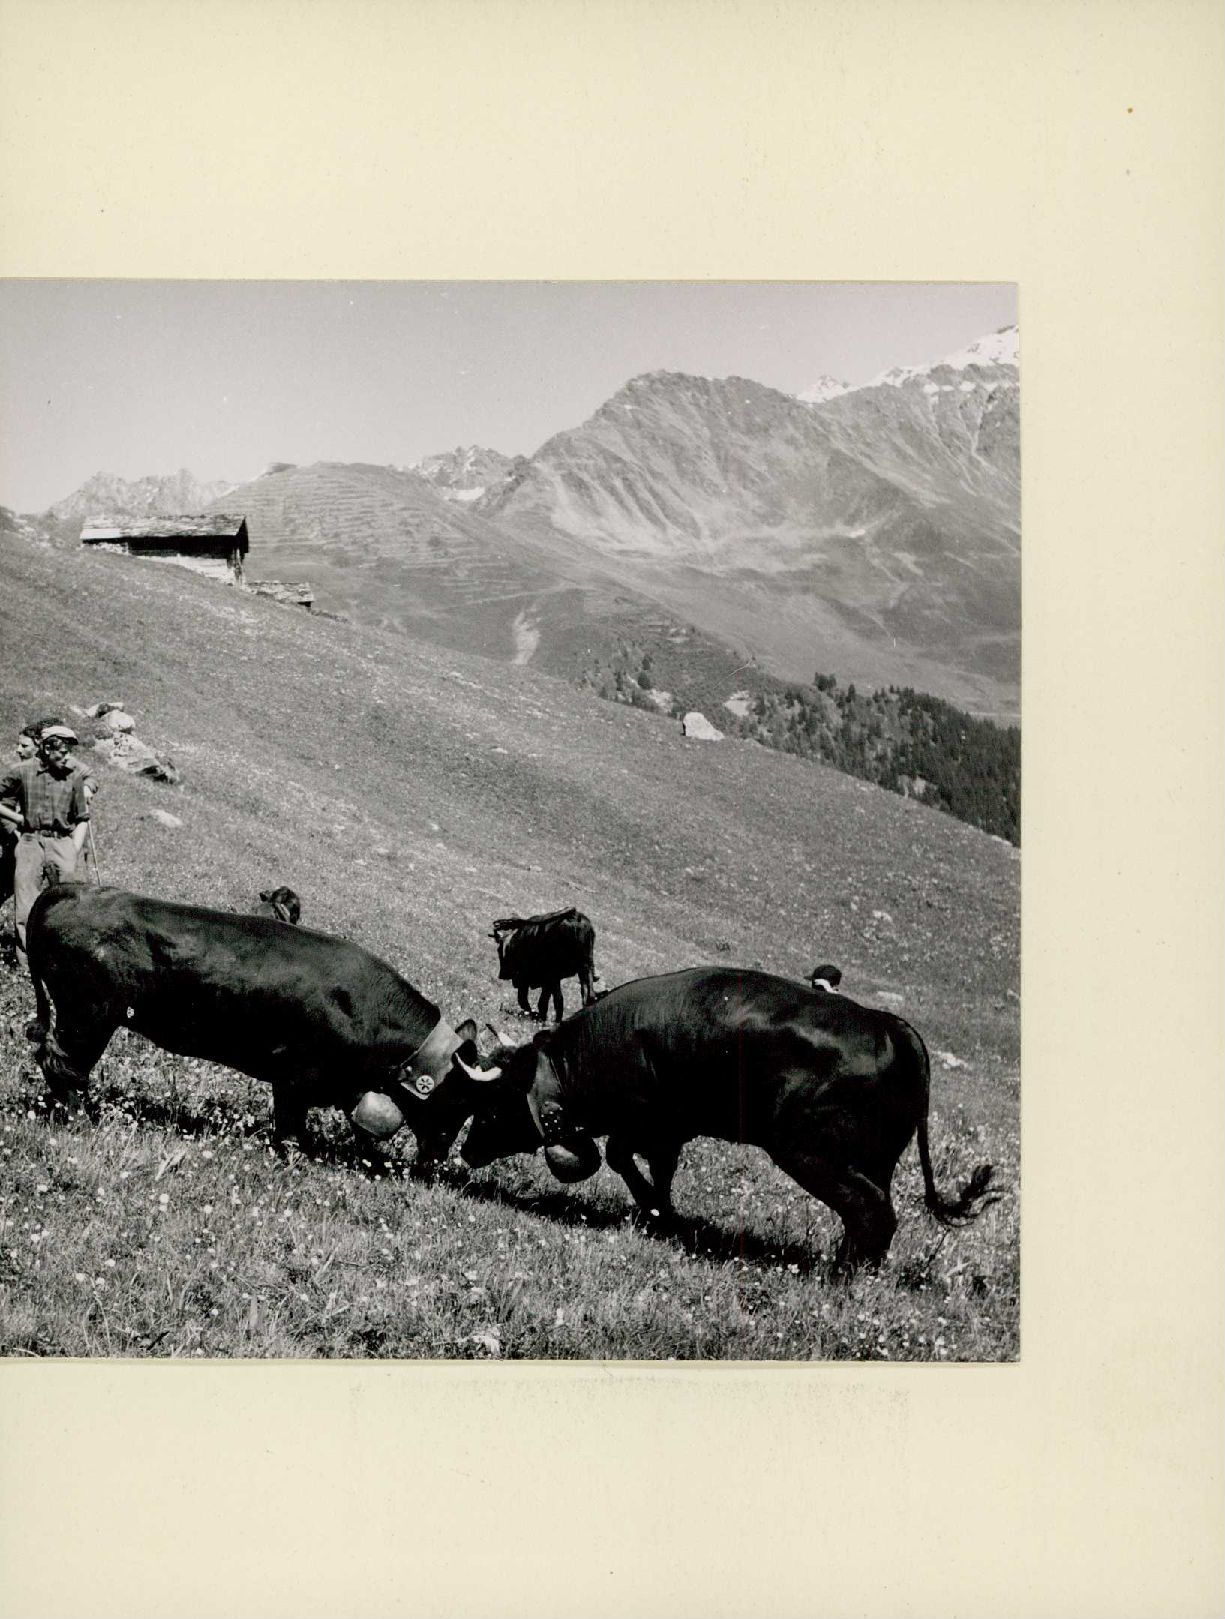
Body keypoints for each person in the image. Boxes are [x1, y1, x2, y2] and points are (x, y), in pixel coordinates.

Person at [0, 724, 98, 969]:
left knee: (71, 903)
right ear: (46, 749)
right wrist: (18, 820)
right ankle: (28, 965)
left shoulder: (74, 776)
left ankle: (66, 961)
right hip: (30, 843)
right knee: (26, 906)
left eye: (69, 752)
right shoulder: (22, 771)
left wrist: (73, 848)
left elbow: (82, 817)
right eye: (62, 752)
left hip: (62, 843)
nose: (67, 757)